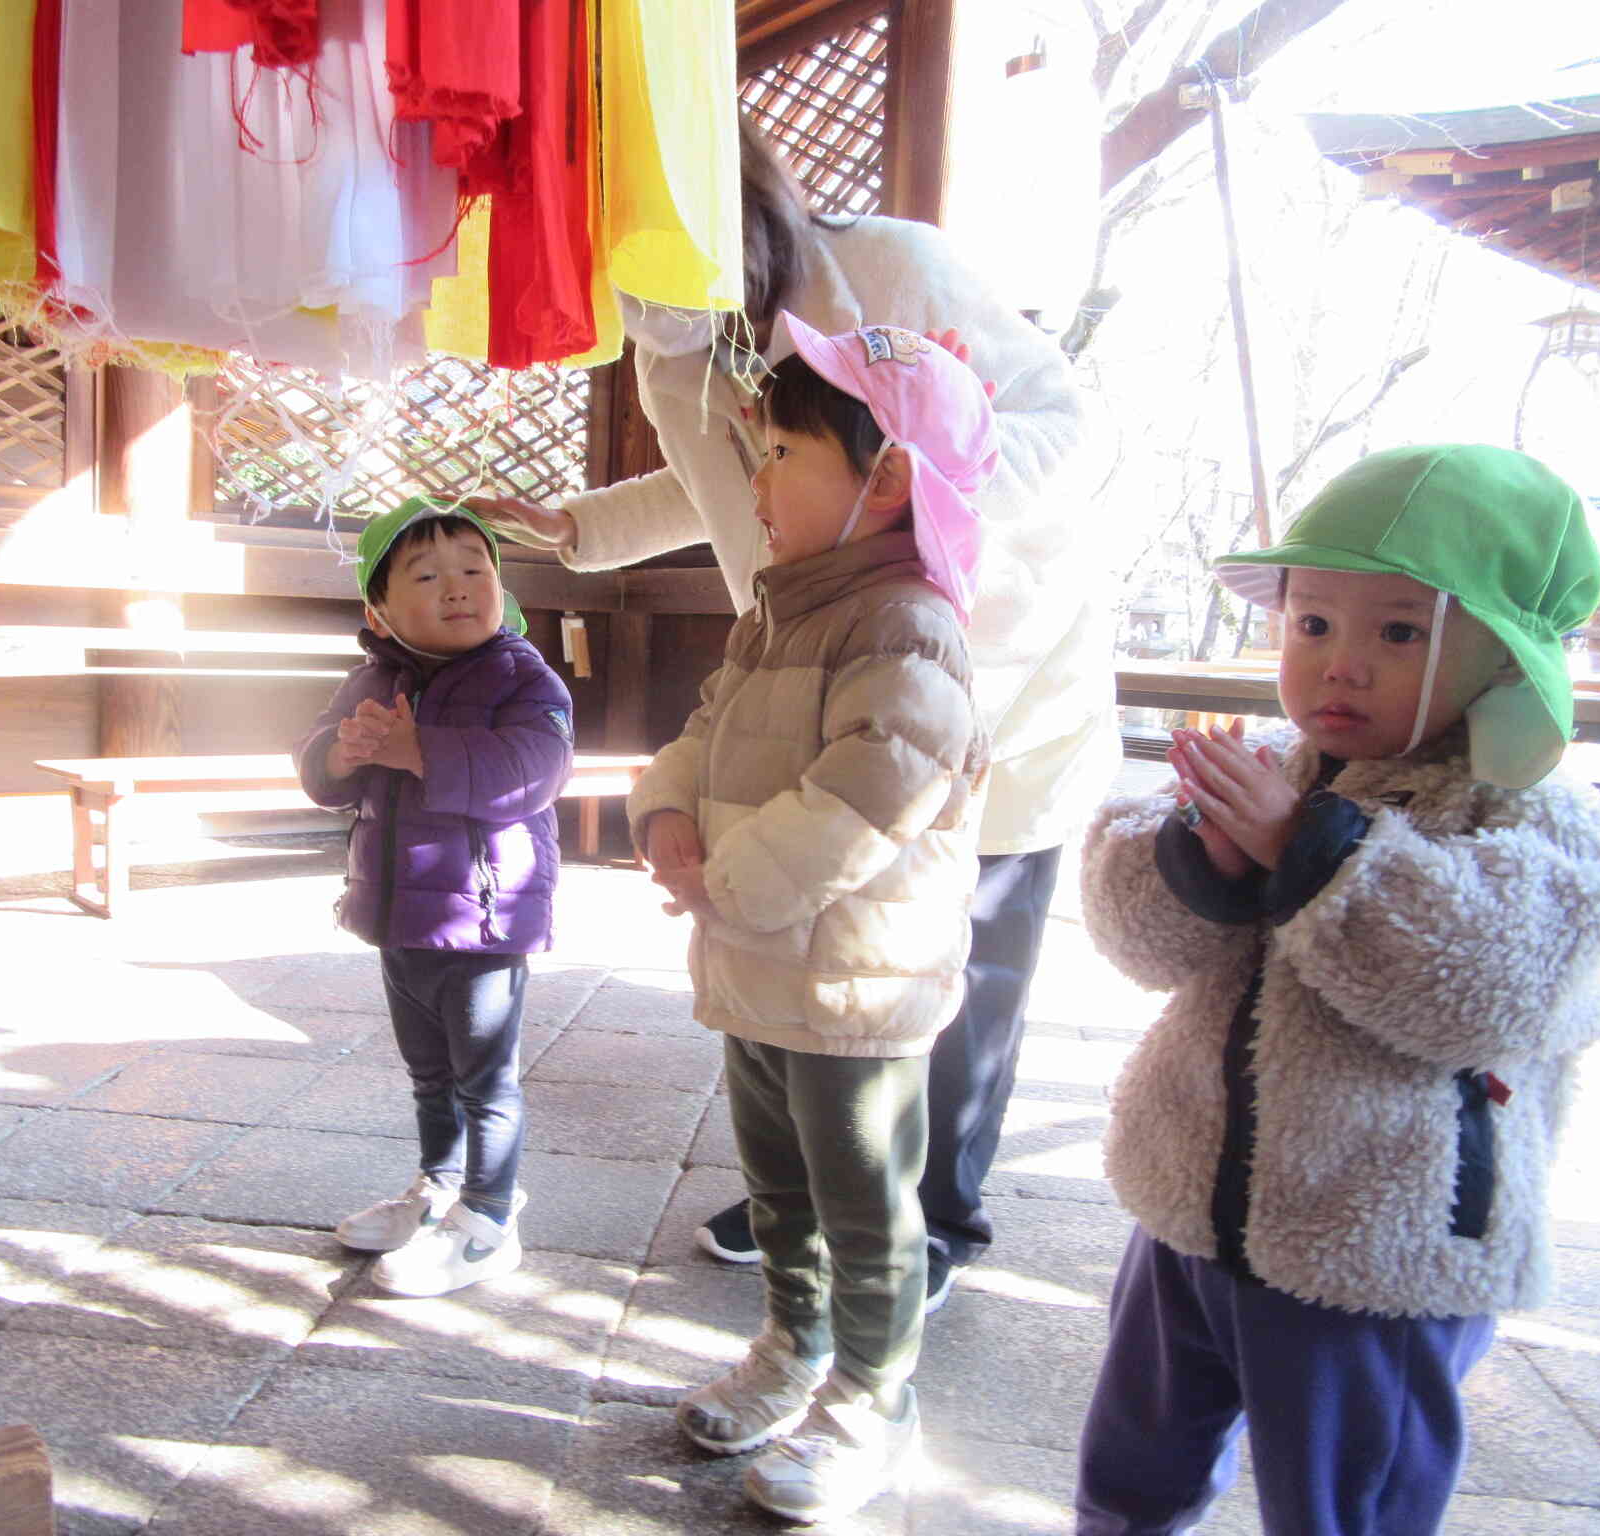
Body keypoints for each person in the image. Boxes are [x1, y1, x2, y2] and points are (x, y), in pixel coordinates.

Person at [474, 114, 1118, 1306]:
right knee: (822, 947)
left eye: (640, 247)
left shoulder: (890, 266)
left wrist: (913, 499)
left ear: (718, 202)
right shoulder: (672, 350)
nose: (631, 290)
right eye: (603, 263)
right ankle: (828, 1184)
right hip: (812, 661)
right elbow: (723, 475)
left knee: (945, 961)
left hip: (989, 669)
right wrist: (582, 529)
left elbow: (1065, 427)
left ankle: (930, 1220)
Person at [1073, 444, 1600, 1536]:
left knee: (1345, 1504)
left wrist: (1315, 854)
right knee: (1131, 1471)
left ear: (1495, 655)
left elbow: (1482, 985)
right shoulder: (1277, 764)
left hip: (1375, 1248)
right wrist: (1202, 859)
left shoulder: (1532, 814)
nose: (1338, 664)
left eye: (1397, 632)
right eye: (1310, 623)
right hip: (1187, 1213)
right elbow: (1134, 936)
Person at [628, 315, 995, 1523]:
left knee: (863, 1201)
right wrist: (665, 812)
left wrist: (723, 884)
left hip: (855, 984)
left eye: (782, 448)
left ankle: (873, 1400)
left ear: (885, 478)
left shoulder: (905, 623)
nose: (758, 476)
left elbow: (869, 790)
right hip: (757, 964)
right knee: (777, 1185)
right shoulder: (778, 609)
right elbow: (701, 727)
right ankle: (793, 1348)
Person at [293, 497, 575, 1298]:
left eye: (474, 569)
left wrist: (422, 749)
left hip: (485, 918)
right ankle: (439, 1188)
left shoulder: (523, 674)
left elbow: (536, 770)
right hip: (398, 914)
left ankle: (490, 1219)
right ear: (379, 610)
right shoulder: (371, 679)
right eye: (426, 575)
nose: (457, 588)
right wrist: (339, 756)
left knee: (486, 1079)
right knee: (428, 1074)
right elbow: (315, 767)